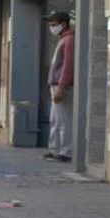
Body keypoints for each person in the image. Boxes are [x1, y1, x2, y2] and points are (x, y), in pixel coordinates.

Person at [44, 10, 75, 162]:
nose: (51, 27)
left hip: (61, 87)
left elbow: (68, 66)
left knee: (64, 120)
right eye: (50, 25)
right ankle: (54, 149)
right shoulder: (63, 39)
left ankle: (66, 152)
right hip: (55, 86)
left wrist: (62, 88)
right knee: (55, 120)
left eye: (54, 24)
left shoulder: (69, 40)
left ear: (63, 24)